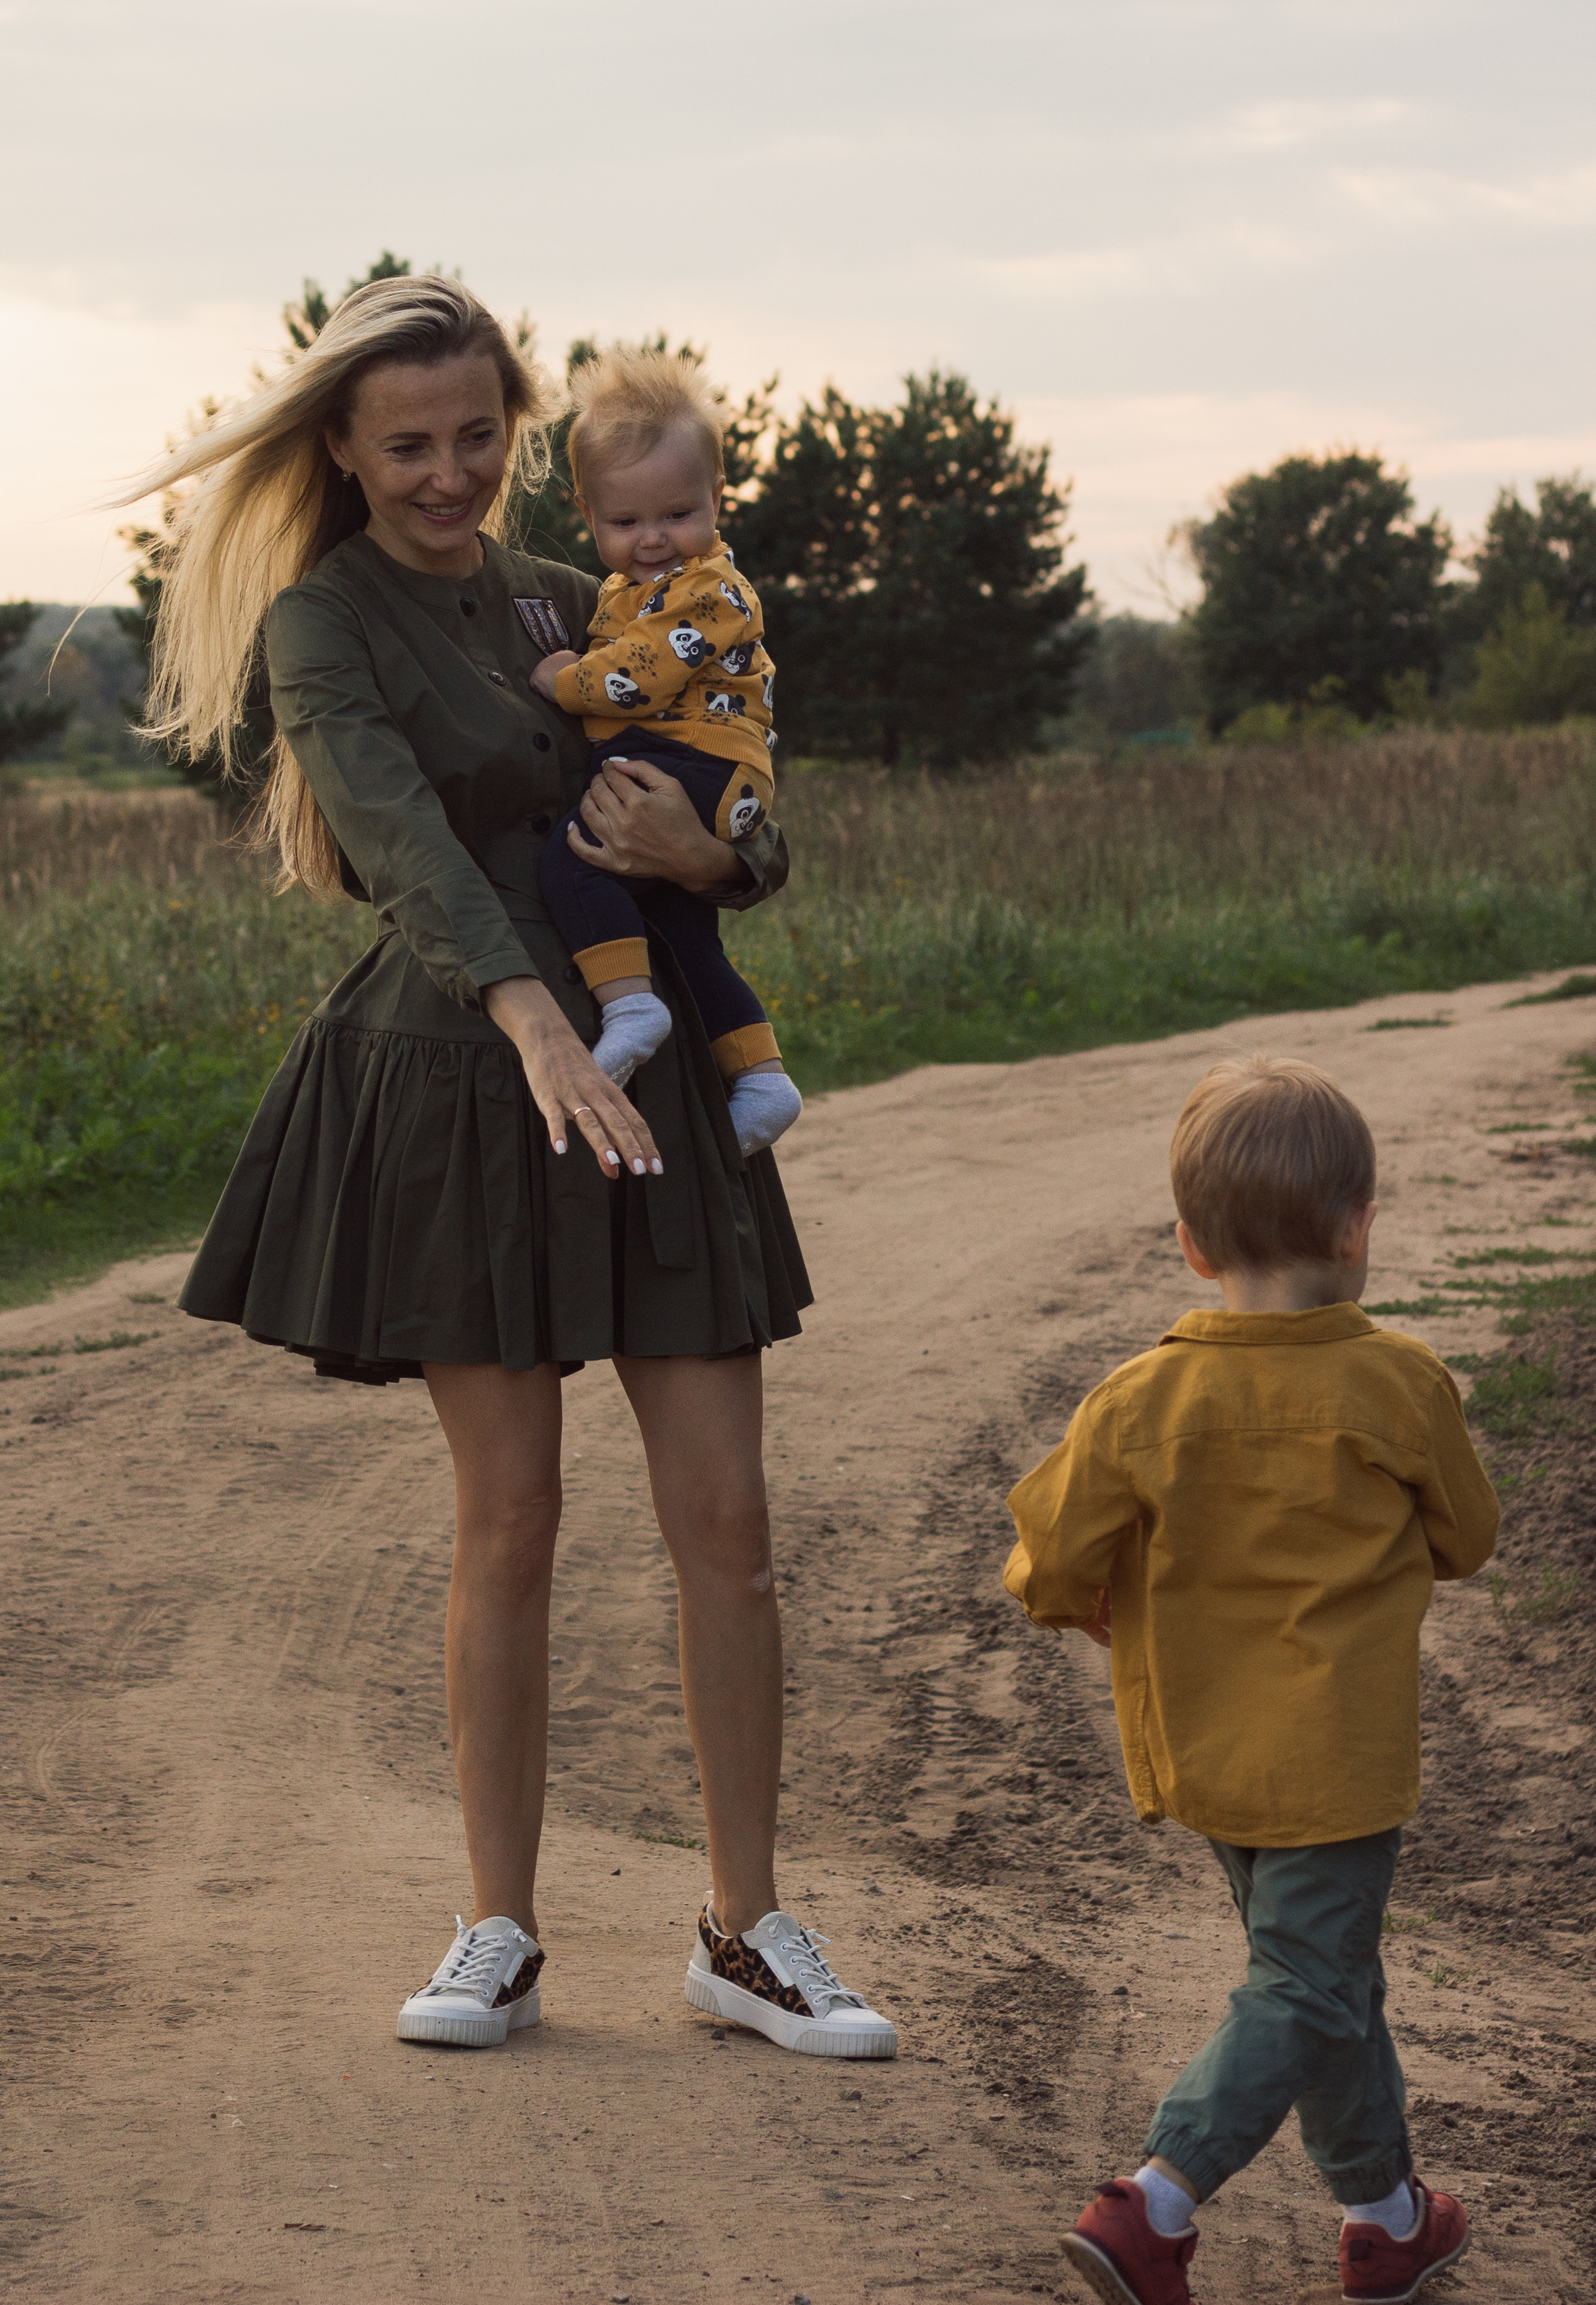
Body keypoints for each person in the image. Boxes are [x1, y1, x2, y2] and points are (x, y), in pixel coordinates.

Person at [126, 273, 894, 2062]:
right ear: (343, 446)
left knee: (730, 1522)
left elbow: (734, 770)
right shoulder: (321, 625)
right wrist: (534, 1027)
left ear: (514, 422)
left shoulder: (584, 586)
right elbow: (403, 844)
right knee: (512, 1521)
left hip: (657, 1083)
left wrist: (717, 858)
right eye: (411, 442)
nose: (451, 470)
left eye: (479, 433)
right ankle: (500, 1926)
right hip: (468, 1088)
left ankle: (744, 1926)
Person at [1003, 1056, 1498, 2305]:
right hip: (1336, 1760)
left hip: (1204, 1755)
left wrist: (1091, 1600)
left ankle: (1385, 2215)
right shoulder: (1397, 1383)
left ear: (1187, 1244)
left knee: (1321, 1978)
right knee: (1304, 1977)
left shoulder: (1138, 1398)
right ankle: (1152, 2199)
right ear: (1354, 1225)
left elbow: (1044, 1559)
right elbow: (1468, 1535)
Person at [530, 345, 802, 1159]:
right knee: (687, 937)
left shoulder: (709, 588)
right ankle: (761, 1077)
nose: (654, 539)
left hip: (699, 764)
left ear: (718, 500)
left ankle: (632, 1008)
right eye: (625, 522)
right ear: (587, 512)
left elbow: (638, 677)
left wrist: (565, 681)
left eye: (678, 515)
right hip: (696, 766)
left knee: (576, 853)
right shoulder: (623, 590)